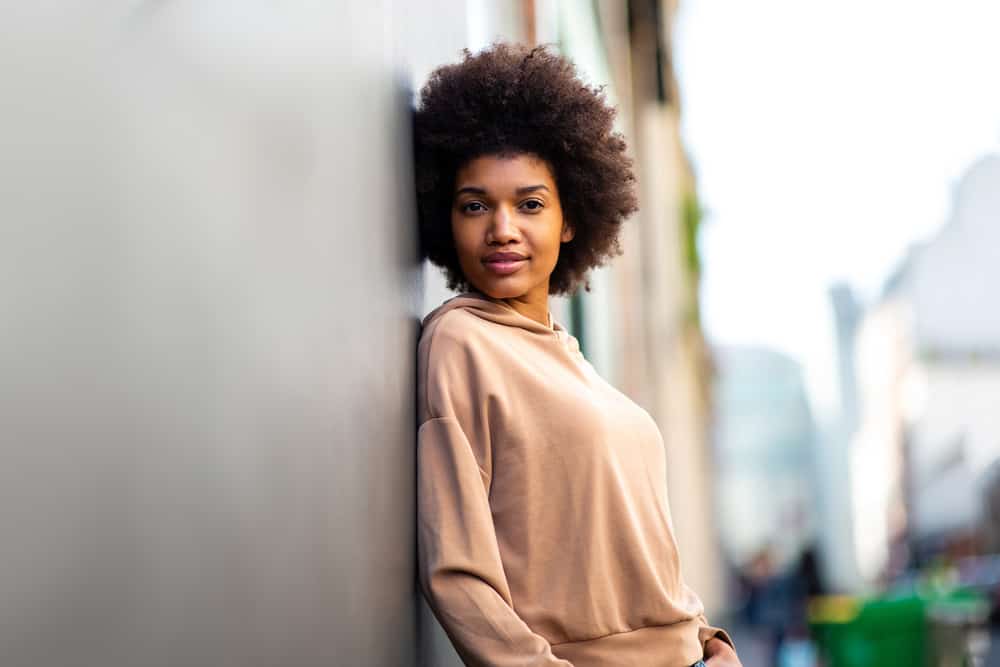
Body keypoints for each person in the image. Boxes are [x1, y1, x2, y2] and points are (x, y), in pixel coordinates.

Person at [413, 42, 741, 667]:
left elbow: (632, 546)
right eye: (475, 205)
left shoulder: (573, 360)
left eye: (530, 204)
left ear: (569, 219)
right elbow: (455, 574)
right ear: (446, 219)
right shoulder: (461, 342)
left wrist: (709, 639)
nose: (502, 228)